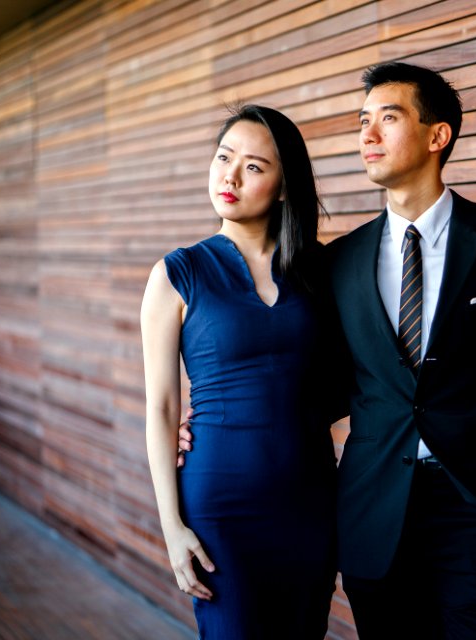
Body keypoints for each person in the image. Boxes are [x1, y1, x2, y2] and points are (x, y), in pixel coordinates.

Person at [180, 62, 476, 639]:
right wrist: (221, 424)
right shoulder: (337, 262)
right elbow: (321, 384)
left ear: (436, 135)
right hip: (374, 507)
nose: (367, 136)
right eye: (363, 121)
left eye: (388, 119)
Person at [142, 103, 337, 639]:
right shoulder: (177, 274)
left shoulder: (319, 272)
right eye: (224, 157)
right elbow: (161, 406)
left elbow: (349, 378)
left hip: (312, 499)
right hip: (220, 505)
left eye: (253, 166)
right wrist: (171, 526)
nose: (230, 175)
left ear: (282, 187)